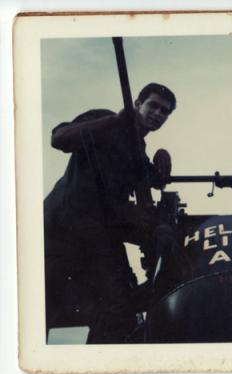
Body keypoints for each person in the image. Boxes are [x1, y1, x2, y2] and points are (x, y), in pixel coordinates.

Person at [44, 82, 176, 343]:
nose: (158, 114)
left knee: (118, 313)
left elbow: (149, 180)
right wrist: (114, 121)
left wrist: (162, 161)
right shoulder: (103, 119)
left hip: (100, 237)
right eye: (154, 106)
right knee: (39, 308)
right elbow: (59, 138)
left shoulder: (138, 151)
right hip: (61, 232)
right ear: (137, 104)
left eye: (165, 112)